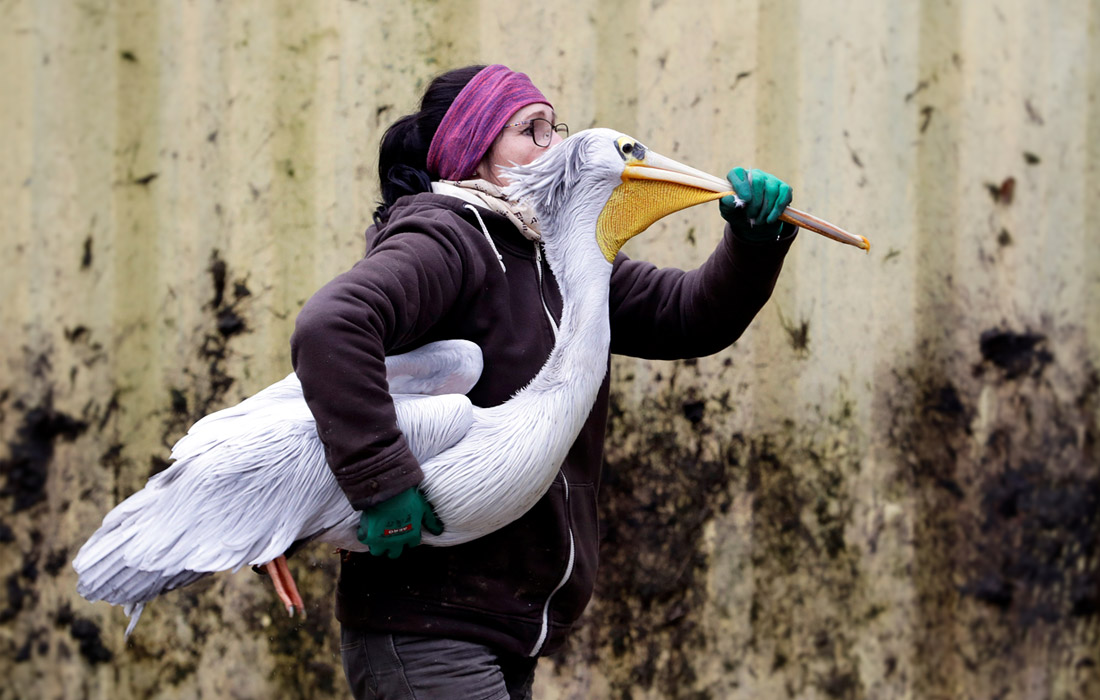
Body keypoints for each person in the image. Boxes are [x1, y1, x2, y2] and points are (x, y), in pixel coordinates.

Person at [290, 64, 795, 700]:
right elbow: (332, 327)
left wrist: (752, 244)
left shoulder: (557, 253)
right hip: (429, 625)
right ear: (476, 154)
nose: (555, 145)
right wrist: (382, 482)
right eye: (531, 130)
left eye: (555, 128)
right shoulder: (448, 238)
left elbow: (684, 317)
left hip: (505, 623)